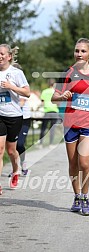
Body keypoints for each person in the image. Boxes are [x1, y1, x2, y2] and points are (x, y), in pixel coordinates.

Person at [51, 38, 89, 215]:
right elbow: (54, 97)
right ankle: (76, 196)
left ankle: (85, 197)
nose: (79, 54)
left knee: (84, 162)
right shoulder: (67, 73)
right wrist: (63, 96)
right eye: (77, 51)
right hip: (71, 123)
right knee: (73, 163)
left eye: (83, 51)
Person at [0, 44, 30, 195]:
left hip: (14, 116)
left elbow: (27, 93)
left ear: (9, 56)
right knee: (0, 150)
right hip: (0, 115)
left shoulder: (16, 73)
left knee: (11, 151)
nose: (0, 56)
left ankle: (15, 170)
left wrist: (11, 86)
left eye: (2, 53)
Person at [39, 79, 59, 147]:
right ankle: (51, 144)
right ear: (54, 84)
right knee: (52, 128)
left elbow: (42, 101)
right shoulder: (56, 92)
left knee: (43, 128)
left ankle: (41, 144)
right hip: (54, 110)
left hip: (46, 110)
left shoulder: (44, 91)